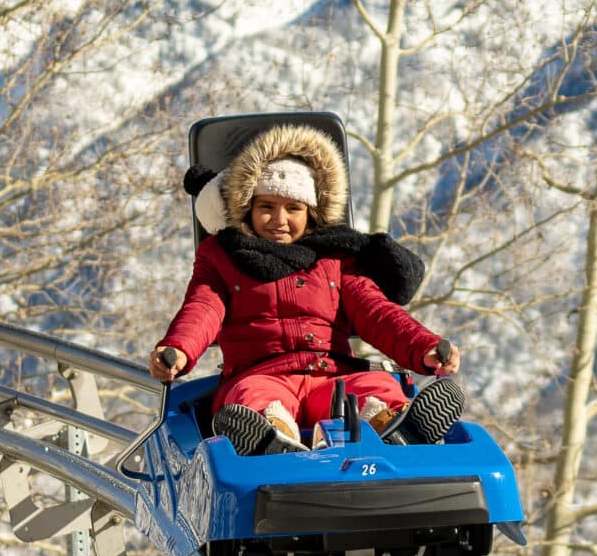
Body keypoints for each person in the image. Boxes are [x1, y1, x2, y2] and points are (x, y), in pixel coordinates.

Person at [148, 123, 464, 454]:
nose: (278, 219)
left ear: (310, 213)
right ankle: (272, 439)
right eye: (266, 207)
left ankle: (392, 425)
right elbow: (203, 308)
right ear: (248, 208)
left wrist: (424, 346)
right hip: (260, 373)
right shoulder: (223, 256)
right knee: (252, 398)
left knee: (376, 386)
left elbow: (376, 312)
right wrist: (178, 349)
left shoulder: (335, 257)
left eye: (293, 208)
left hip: (332, 376)